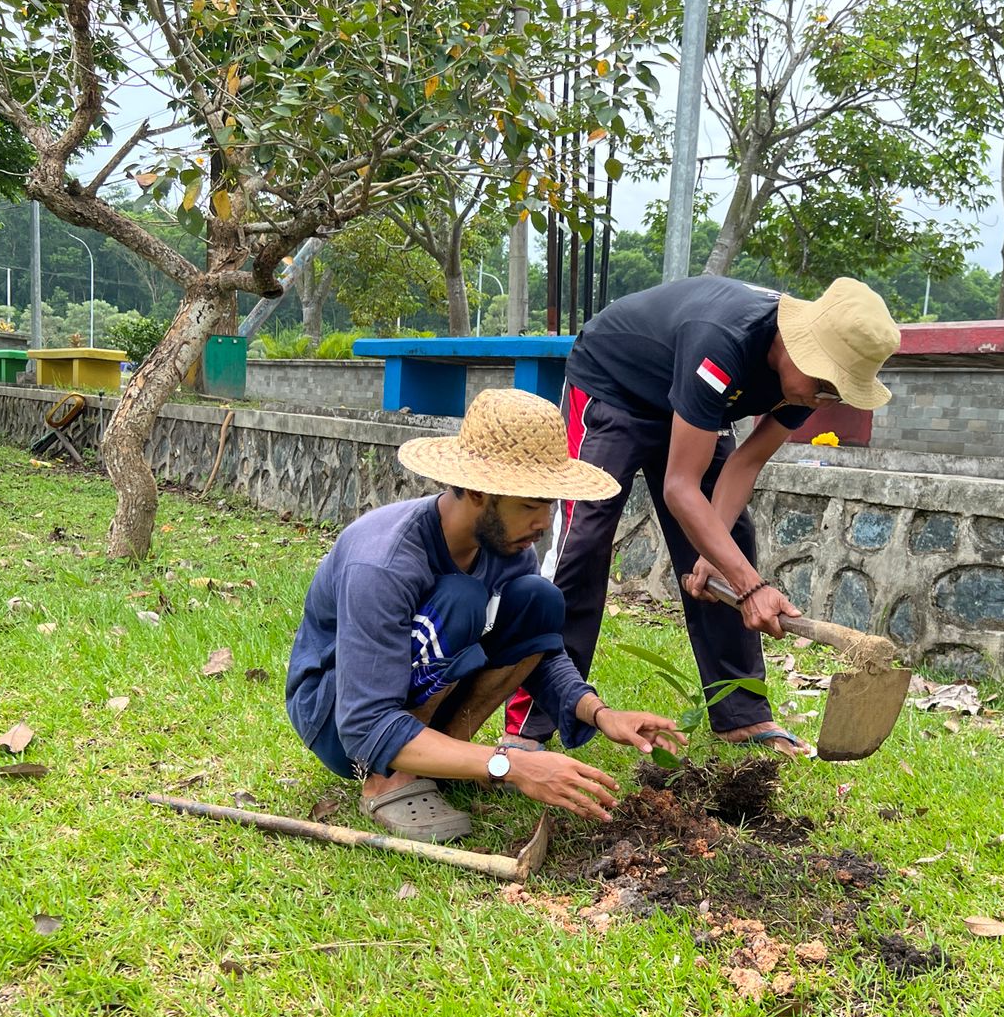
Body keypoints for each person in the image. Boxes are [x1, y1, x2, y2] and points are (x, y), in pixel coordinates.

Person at [505, 275, 900, 757]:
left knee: (729, 536)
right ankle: (529, 724)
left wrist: (721, 560)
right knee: (582, 543)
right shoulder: (725, 341)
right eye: (823, 384)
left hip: (695, 407)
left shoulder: (806, 386)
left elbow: (745, 462)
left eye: (834, 392)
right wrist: (752, 587)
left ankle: (742, 714)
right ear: (799, 345)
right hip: (615, 386)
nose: (823, 399)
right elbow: (679, 487)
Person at [285, 388, 686, 843]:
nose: (544, 523)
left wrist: (599, 713)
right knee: (461, 600)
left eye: (549, 505)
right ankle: (388, 776)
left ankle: (442, 760)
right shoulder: (384, 562)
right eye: (531, 505)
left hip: (397, 705)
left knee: (539, 600)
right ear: (478, 491)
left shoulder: (507, 546)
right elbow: (363, 722)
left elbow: (537, 648)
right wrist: (511, 765)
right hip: (340, 718)